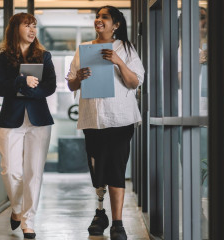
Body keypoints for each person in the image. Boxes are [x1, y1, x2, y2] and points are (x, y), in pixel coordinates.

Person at [66, 5, 144, 240]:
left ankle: (118, 222)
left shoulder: (127, 48)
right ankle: (100, 213)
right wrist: (78, 78)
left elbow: (134, 83)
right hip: (92, 119)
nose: (99, 20)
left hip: (120, 119)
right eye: (98, 17)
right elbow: (71, 83)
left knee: (116, 168)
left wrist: (119, 62)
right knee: (97, 168)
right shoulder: (84, 50)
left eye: (105, 17)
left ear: (116, 24)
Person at [0, 12, 56, 239]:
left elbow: (50, 86)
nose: (32, 30)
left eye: (34, 26)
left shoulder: (44, 56)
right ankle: (17, 210)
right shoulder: (2, 58)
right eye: (27, 25)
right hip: (11, 119)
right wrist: (21, 80)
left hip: (39, 120)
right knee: (10, 170)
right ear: (15, 29)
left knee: (34, 173)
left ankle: (28, 221)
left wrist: (30, 90)